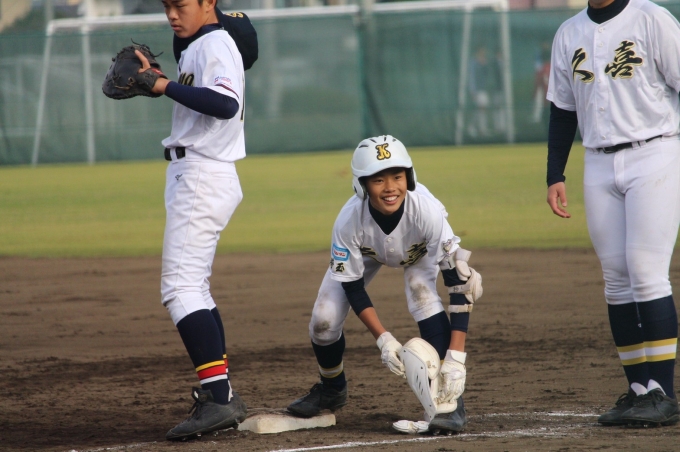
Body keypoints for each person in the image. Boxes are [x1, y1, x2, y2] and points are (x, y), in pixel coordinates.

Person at [286, 135, 483, 434]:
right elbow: (352, 286)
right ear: (362, 185)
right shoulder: (348, 221)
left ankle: (450, 403)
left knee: (421, 295)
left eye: (397, 176)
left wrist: (456, 358)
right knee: (323, 322)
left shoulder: (426, 212)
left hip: (418, 252)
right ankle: (332, 388)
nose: (390, 187)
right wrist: (384, 339)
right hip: (368, 252)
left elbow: (459, 285)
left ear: (409, 178)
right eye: (378, 180)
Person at [546, 0, 680, 427]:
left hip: (655, 151)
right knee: (617, 278)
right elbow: (563, 109)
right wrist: (554, 174)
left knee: (646, 271)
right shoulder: (568, 33)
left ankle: (663, 392)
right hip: (598, 162)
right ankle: (639, 390)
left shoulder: (650, 18)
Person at [136, 0, 255, 440]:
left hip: (203, 173)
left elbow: (224, 103)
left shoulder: (215, 44)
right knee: (194, 288)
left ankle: (218, 399)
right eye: (166, 5)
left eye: (181, 4)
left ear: (209, 4)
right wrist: (161, 81)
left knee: (179, 288)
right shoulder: (197, 45)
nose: (172, 13)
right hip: (198, 171)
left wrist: (163, 84)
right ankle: (222, 394)